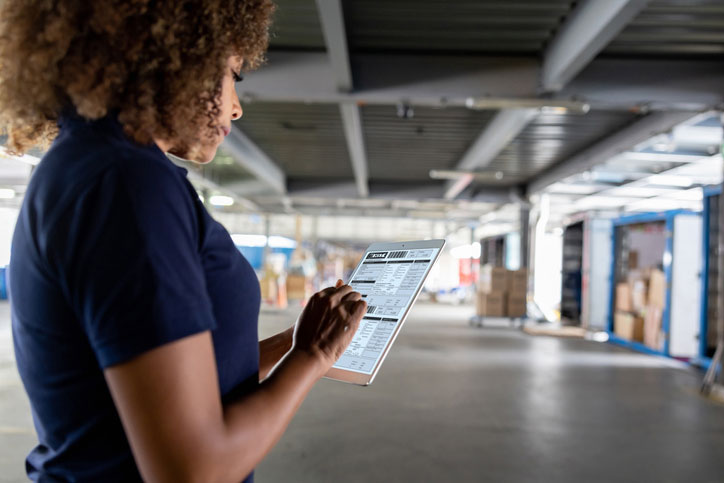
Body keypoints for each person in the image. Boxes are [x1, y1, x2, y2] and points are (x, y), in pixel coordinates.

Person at [0, 1, 366, 481]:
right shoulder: (128, 185)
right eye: (232, 74)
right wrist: (311, 357)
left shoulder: (88, 166)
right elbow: (192, 470)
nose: (235, 105)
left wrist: (290, 343)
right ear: (173, 57)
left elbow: (178, 380)